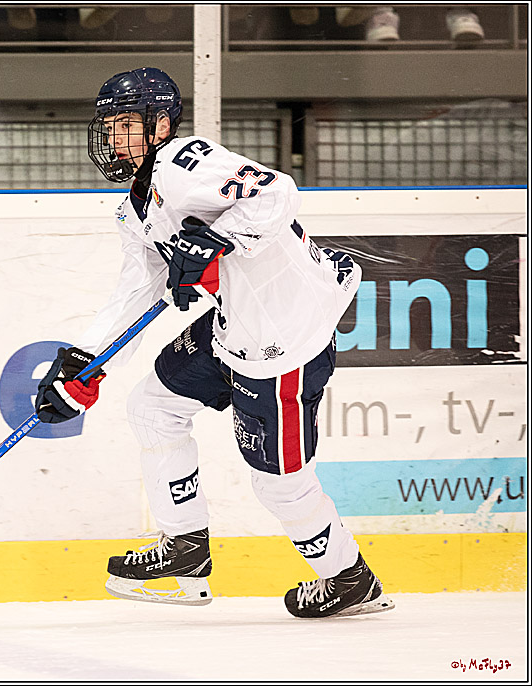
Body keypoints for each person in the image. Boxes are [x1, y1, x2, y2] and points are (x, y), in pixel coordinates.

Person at [34, 67, 395, 618]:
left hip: (282, 339)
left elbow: (277, 191)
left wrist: (217, 240)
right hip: (236, 324)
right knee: (153, 406)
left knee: (277, 484)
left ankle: (348, 578)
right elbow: (140, 287)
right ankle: (185, 551)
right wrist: (83, 362)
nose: (111, 137)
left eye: (125, 124)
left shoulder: (184, 162)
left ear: (160, 125)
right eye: (107, 125)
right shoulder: (135, 208)